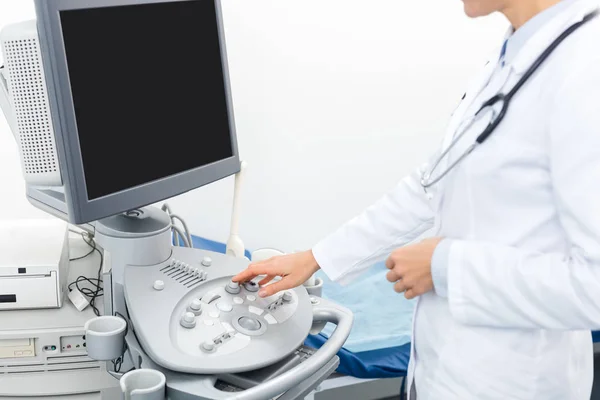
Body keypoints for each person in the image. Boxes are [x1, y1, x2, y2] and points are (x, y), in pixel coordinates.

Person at [233, 0, 600, 398]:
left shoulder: (584, 72)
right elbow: (433, 184)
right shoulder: (520, 52)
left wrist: (445, 266)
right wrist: (316, 257)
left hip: (517, 381)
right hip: (448, 369)